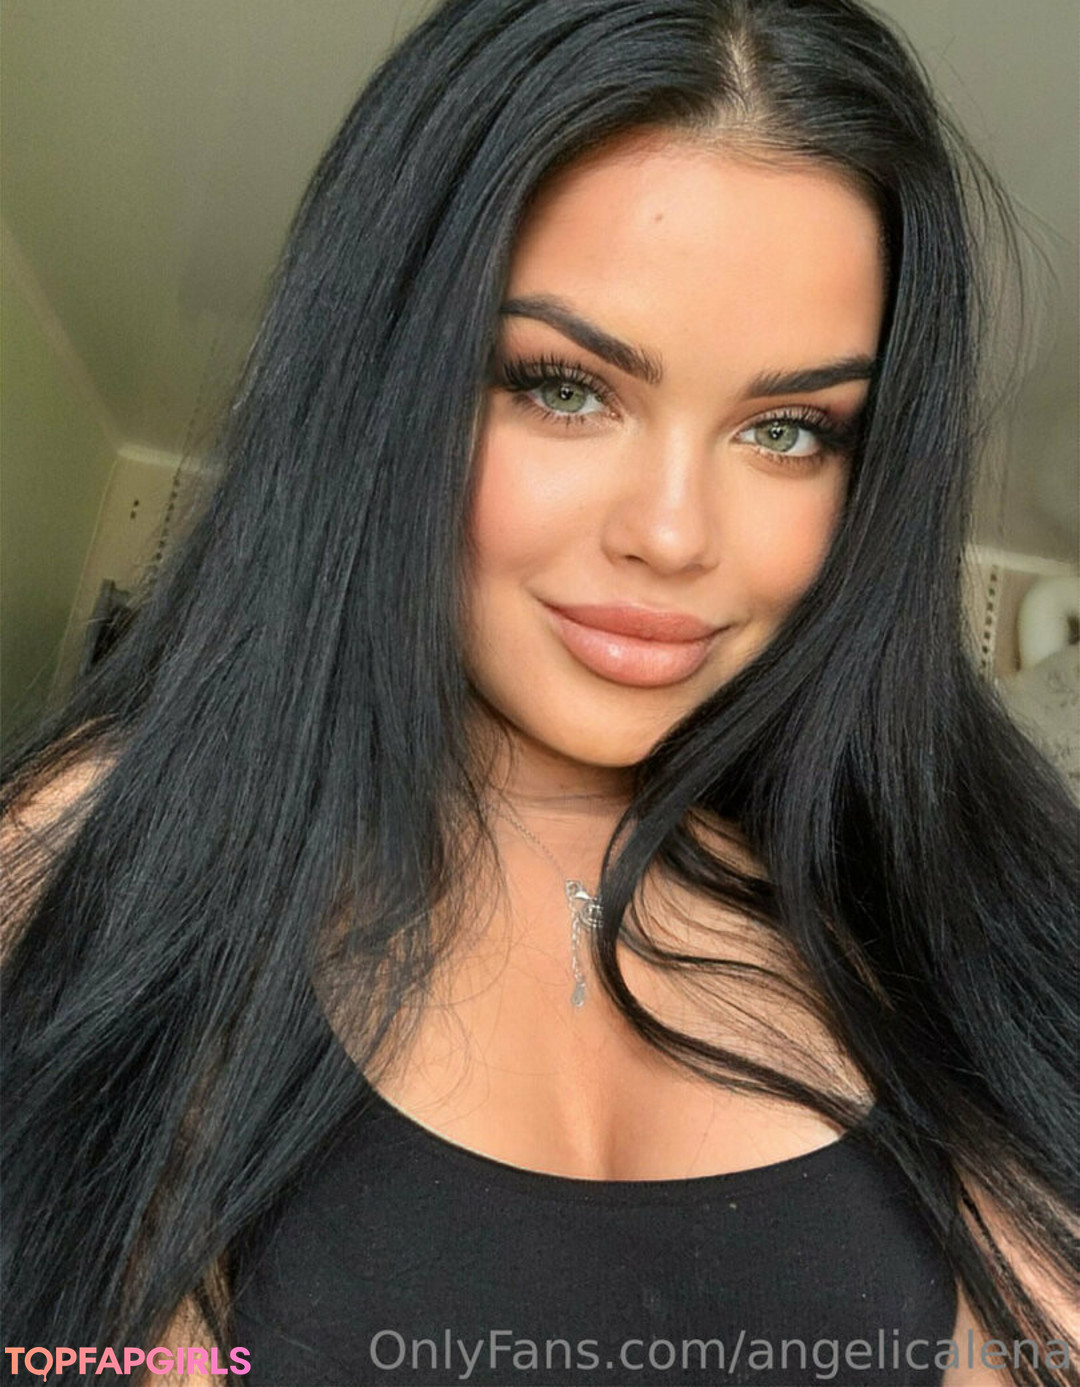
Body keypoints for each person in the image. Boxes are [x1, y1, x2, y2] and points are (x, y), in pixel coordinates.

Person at [2, 0, 1077, 1384]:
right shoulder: (88, 850)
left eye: (788, 429)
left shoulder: (978, 905)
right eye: (563, 388)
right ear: (381, 386)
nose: (674, 534)